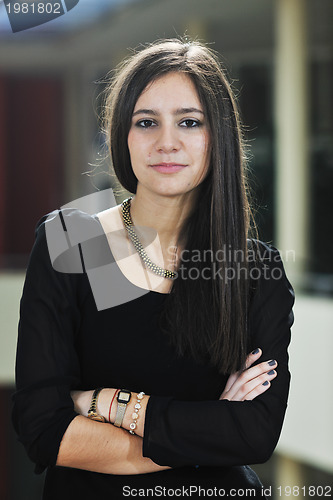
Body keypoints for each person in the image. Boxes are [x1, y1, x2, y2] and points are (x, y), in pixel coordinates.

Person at [12, 39, 294, 499]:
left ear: (217, 136)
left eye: (189, 122)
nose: (167, 142)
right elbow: (44, 430)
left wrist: (111, 403)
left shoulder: (255, 270)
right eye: (146, 122)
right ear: (123, 135)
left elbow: (254, 436)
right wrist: (205, 434)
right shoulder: (75, 240)